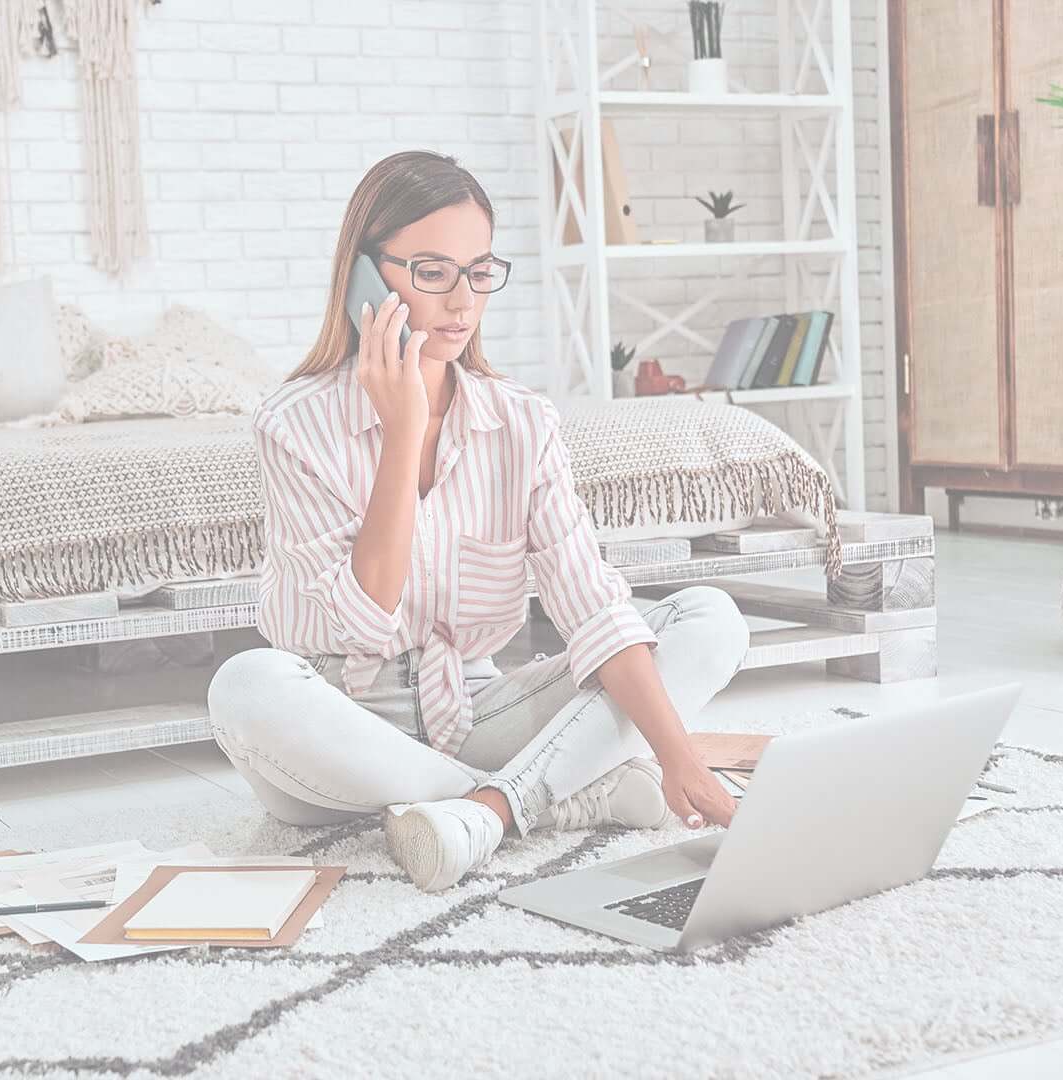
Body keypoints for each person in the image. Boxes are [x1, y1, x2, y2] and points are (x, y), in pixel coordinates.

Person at [207, 150, 751, 893]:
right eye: (431, 273)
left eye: (480, 270)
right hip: (334, 725)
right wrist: (401, 433)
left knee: (712, 618)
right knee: (245, 684)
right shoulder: (294, 425)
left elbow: (593, 609)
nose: (462, 301)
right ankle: (557, 792)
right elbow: (365, 623)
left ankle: (490, 809)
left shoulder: (522, 423)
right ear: (366, 278)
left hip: (478, 708)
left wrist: (678, 755)